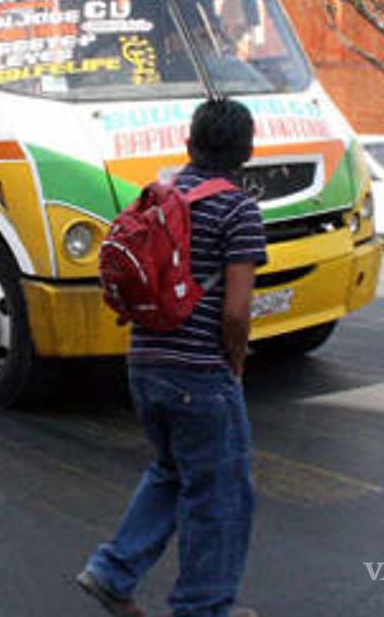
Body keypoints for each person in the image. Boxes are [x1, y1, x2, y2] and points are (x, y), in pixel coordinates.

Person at [78, 99, 267, 617]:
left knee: (170, 471)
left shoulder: (156, 198)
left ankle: (112, 573)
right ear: (247, 153)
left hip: (144, 365)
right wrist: (236, 363)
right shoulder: (239, 210)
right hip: (200, 374)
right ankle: (202, 609)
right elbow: (235, 310)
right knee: (220, 497)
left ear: (189, 146)